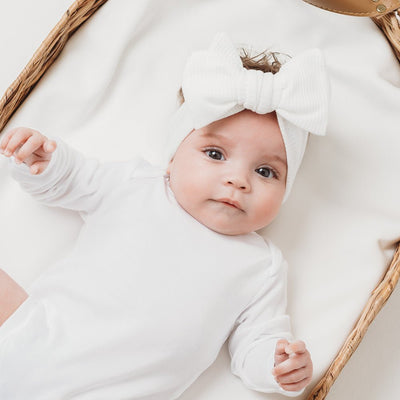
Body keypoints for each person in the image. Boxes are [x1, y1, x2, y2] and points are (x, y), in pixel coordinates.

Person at [0, 32, 330, 399]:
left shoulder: (261, 265)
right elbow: (71, 180)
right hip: (30, 339)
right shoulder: (136, 185)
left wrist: (278, 364)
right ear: (173, 156)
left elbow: (256, 341)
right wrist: (40, 160)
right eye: (215, 154)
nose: (238, 180)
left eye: (266, 172)